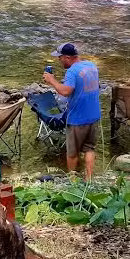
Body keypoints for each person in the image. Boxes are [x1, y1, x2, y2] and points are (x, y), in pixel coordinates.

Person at [42, 43, 101, 180]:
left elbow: (66, 91)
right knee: (89, 148)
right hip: (93, 116)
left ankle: (72, 181)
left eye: (60, 57)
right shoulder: (91, 66)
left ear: (67, 57)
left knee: (72, 153)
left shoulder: (72, 72)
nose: (59, 60)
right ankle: (89, 179)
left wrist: (52, 81)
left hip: (77, 119)